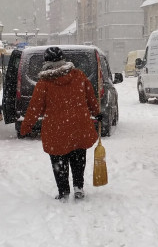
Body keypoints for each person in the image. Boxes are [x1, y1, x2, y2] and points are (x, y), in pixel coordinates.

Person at [19, 46, 101, 200]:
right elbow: (91, 97)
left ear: (46, 62)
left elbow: (34, 108)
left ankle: (63, 191)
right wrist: (97, 113)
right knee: (78, 158)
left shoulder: (44, 83)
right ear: (64, 60)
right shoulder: (79, 76)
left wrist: (26, 127)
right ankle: (78, 187)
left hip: (56, 129)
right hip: (79, 125)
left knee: (59, 160)